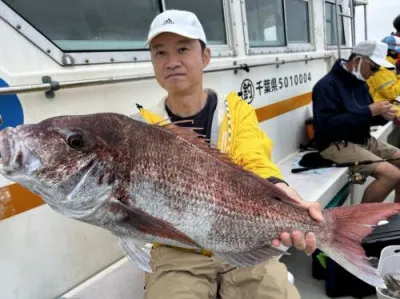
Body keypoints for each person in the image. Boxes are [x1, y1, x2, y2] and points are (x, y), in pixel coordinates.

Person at [134, 9, 323, 299]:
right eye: (160, 53)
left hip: (242, 238)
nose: (171, 62)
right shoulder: (144, 128)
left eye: (182, 49)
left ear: (205, 57)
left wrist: (280, 189)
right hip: (178, 247)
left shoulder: (236, 111)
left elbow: (255, 159)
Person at [312, 40, 400, 204]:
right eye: (374, 67)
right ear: (358, 60)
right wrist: (370, 111)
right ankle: (365, 226)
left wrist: (382, 115)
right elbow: (327, 126)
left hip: (363, 140)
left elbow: (366, 115)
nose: (374, 73)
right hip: (336, 145)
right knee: (392, 175)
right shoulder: (326, 86)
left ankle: (396, 215)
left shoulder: (361, 84)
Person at [367, 35, 400, 121]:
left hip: (387, 105)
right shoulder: (382, 68)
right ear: (393, 52)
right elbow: (391, 93)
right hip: (381, 110)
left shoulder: (388, 66)